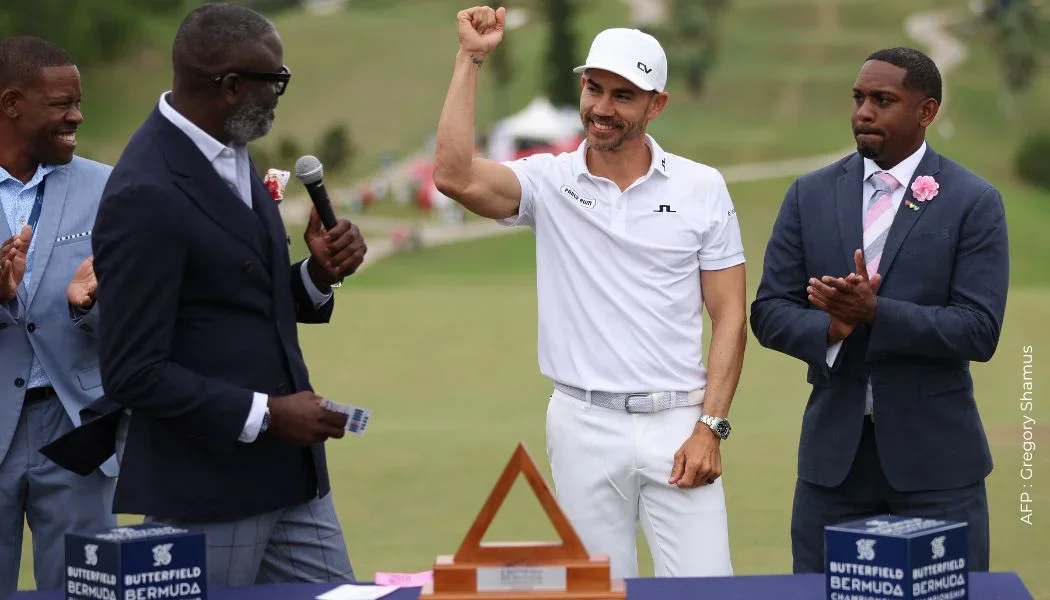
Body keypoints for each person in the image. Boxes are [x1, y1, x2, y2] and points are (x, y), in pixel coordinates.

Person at [432, 7, 747, 579]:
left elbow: (729, 316)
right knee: (599, 591)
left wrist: (711, 427)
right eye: (593, 88)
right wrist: (471, 57)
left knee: (707, 588)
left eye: (623, 96)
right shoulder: (548, 182)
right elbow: (454, 175)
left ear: (656, 105)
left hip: (678, 421)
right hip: (582, 424)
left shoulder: (703, 187)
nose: (602, 108)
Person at [89, 3, 366, 585]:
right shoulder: (145, 191)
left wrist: (314, 276)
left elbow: (239, 298)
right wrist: (267, 415)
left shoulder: (231, 151)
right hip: (208, 490)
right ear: (232, 86)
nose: (281, 95)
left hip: (293, 479)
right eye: (277, 82)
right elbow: (132, 372)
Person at [750, 47, 1008, 573]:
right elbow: (769, 310)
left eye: (883, 100)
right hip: (833, 468)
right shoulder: (810, 195)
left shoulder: (973, 201)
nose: (863, 112)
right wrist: (833, 325)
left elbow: (979, 331)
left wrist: (876, 313)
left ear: (926, 111)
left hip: (939, 466)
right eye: (858, 98)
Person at [0, 35, 116, 598]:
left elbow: (141, 313)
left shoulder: (108, 187)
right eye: (61, 104)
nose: (77, 115)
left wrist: (90, 306)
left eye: (78, 100)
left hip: (74, 431)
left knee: (85, 592)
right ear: (11, 103)